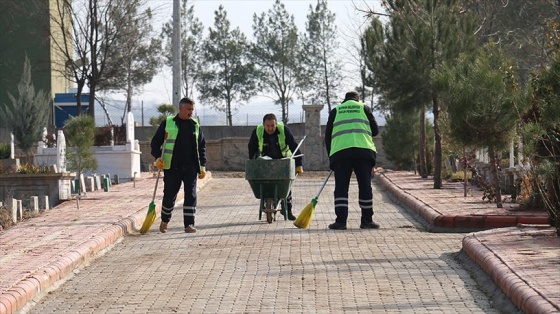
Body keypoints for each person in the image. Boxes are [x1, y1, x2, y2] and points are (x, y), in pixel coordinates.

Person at [324, 91, 380, 230]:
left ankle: (341, 222)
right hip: (363, 152)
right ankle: (367, 221)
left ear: (345, 100)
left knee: (341, 188)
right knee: (365, 186)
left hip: (341, 154)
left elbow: (327, 136)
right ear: (357, 99)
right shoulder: (364, 108)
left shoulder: (336, 111)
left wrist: (331, 158)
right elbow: (375, 131)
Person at [151, 97, 207, 234]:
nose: (190, 112)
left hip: (191, 167)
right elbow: (155, 143)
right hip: (172, 166)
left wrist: (203, 166)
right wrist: (158, 157)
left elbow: (202, 147)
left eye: (192, 110)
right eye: (188, 109)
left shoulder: (195, 125)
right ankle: (165, 221)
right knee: (170, 195)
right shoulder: (168, 123)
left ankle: (189, 224)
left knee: (191, 195)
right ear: (180, 109)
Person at [248, 113, 303, 220]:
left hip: (283, 162)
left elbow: (293, 145)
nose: (270, 128)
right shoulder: (257, 132)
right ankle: (266, 200)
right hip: (265, 163)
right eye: (268, 126)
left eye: (272, 126)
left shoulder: (284, 130)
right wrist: (253, 163)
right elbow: (252, 148)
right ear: (263, 125)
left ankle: (287, 209)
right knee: (265, 184)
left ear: (276, 124)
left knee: (286, 186)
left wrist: (299, 164)